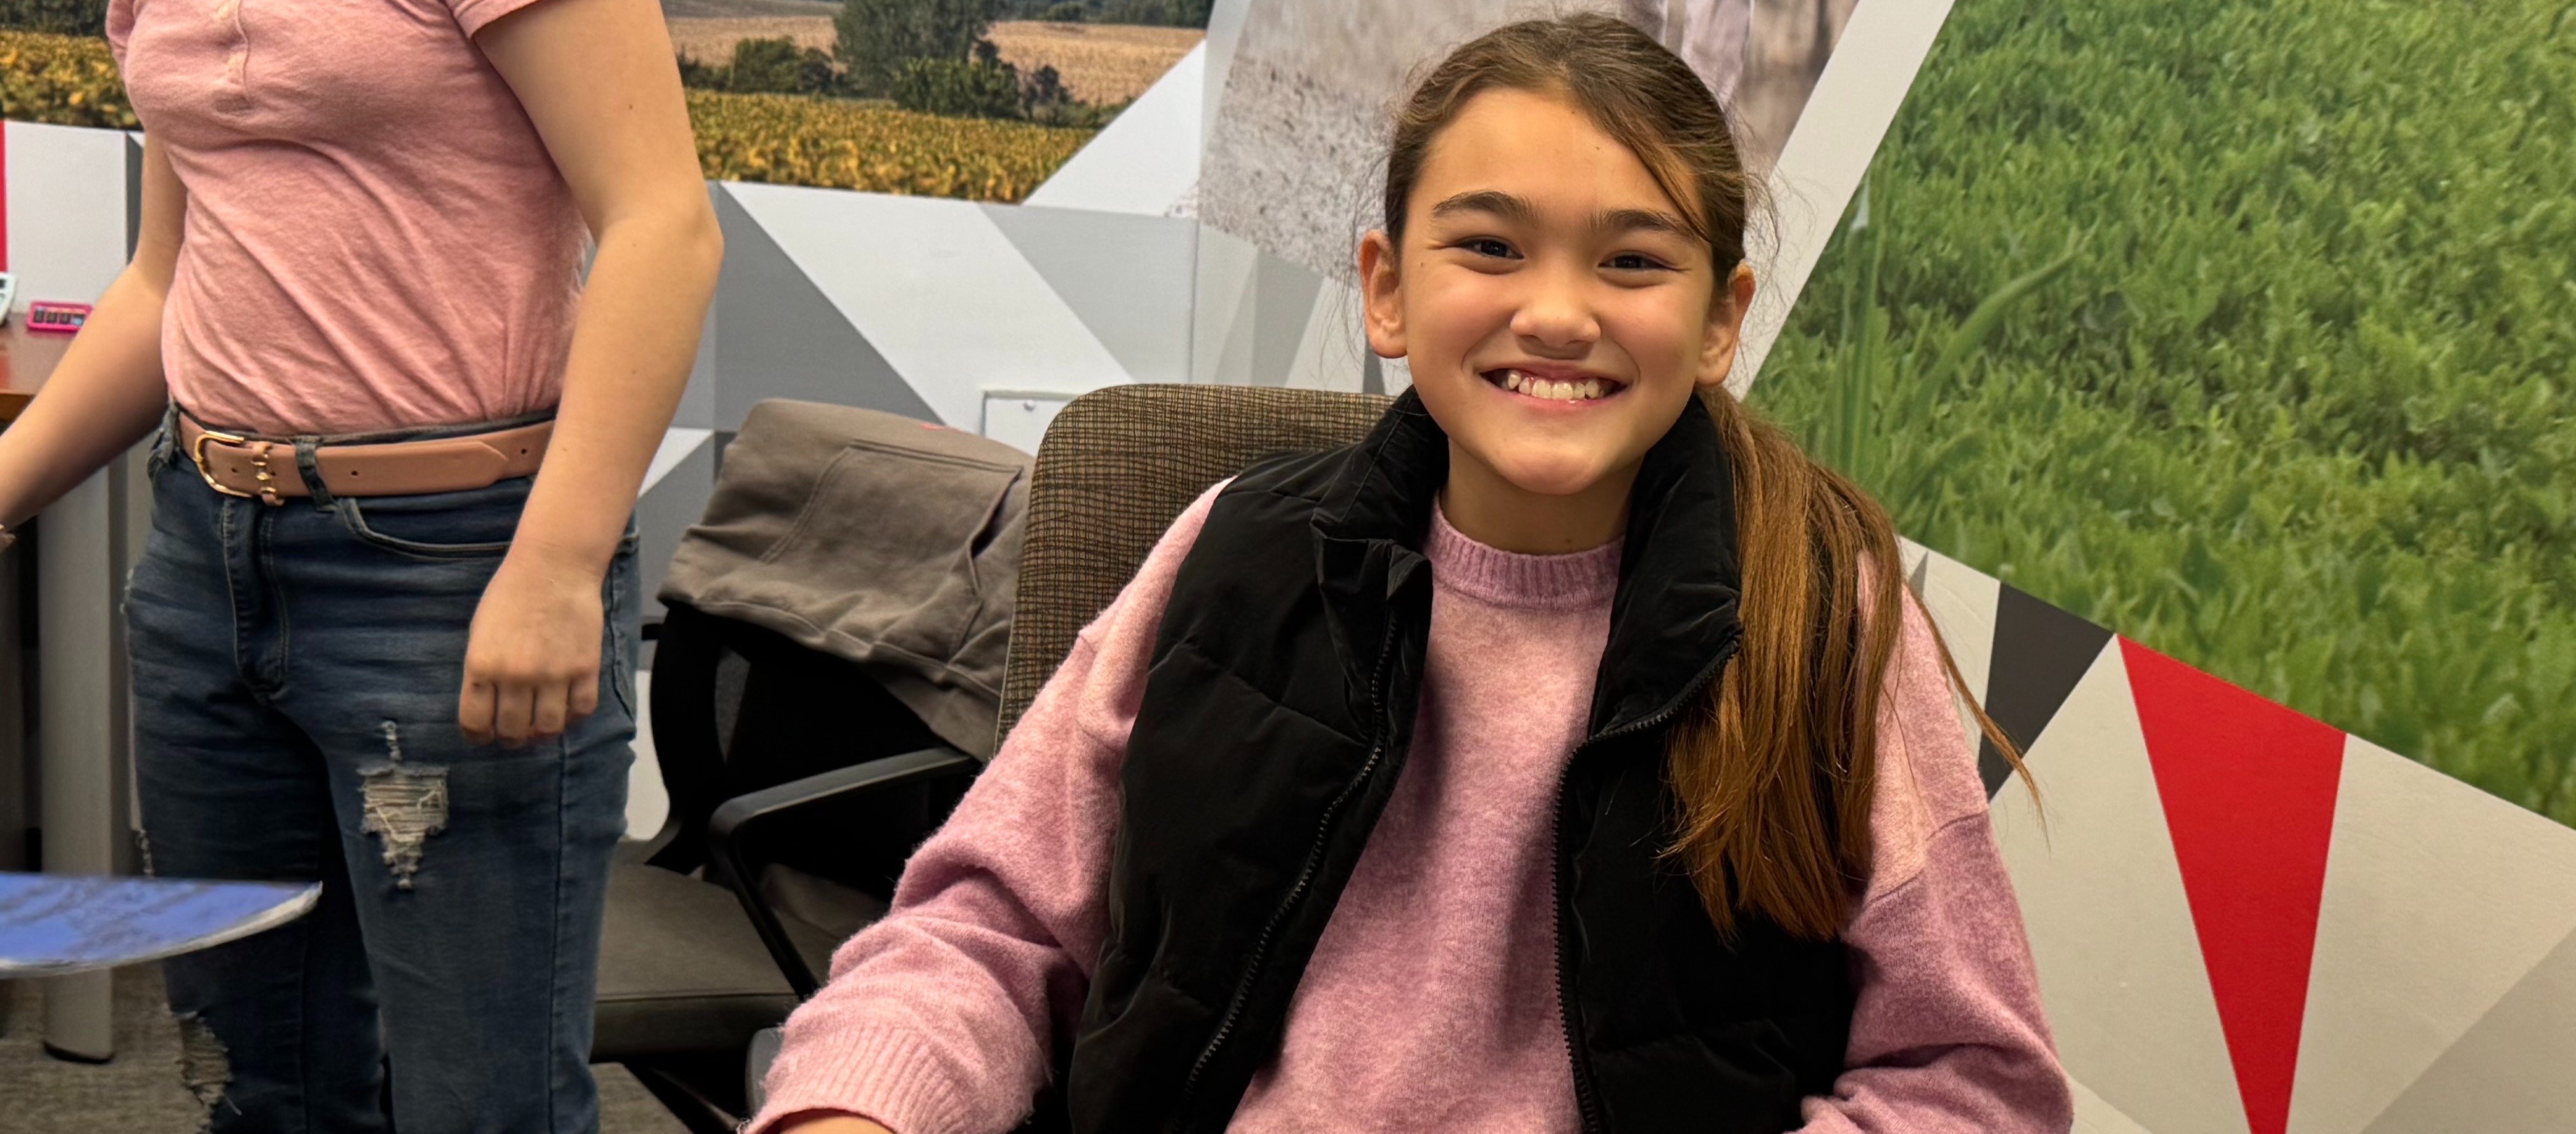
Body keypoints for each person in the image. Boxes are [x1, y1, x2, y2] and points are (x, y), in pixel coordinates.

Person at [752, 15, 2070, 1133]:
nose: (1556, 311)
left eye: (1632, 259)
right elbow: (990, 930)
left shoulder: (1818, 615)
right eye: (1490, 247)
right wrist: (856, 1102)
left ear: (1721, 318)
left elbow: (1970, 1080)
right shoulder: (1235, 547)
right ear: (1386, 291)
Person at [0, 0, 721, 1128]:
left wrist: (558, 562)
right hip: (205, 552)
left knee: (482, 1104)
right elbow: (164, 278)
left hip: (451, 566)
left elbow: (662, 224)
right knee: (257, 1079)